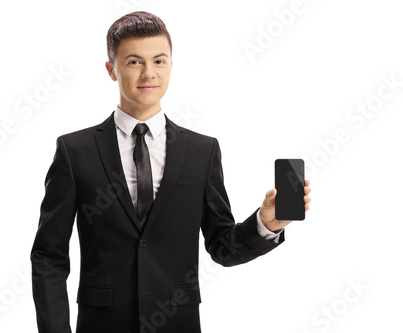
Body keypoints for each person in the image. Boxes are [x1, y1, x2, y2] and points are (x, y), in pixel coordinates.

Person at [30, 11, 311, 333]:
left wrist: (265, 224)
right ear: (111, 69)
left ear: (171, 66)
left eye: (159, 61)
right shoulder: (74, 151)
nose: (149, 73)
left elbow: (223, 247)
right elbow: (48, 256)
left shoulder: (202, 151)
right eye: (134, 62)